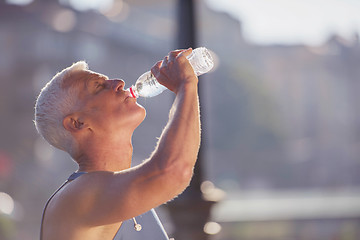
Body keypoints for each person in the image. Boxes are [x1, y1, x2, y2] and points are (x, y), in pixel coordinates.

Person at [34, 48, 201, 240]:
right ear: (77, 123)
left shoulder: (123, 192)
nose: (119, 82)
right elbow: (173, 171)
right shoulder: (76, 196)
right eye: (99, 86)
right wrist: (186, 84)